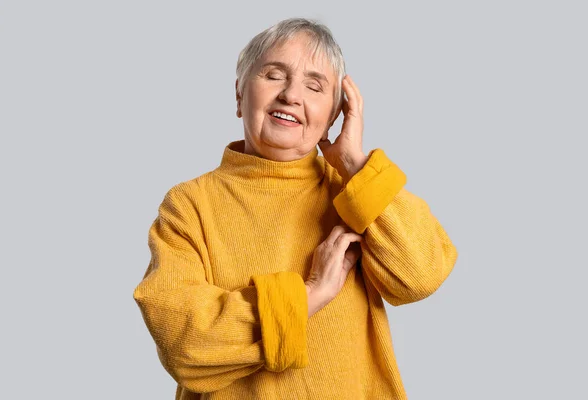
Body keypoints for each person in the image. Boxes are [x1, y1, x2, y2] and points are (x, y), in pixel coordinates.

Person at [133, 17, 458, 400]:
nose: (291, 95)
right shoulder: (189, 205)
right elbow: (182, 341)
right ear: (239, 96)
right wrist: (309, 295)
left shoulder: (357, 194)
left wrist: (355, 164)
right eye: (274, 75)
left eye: (315, 85)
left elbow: (421, 275)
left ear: (334, 116)